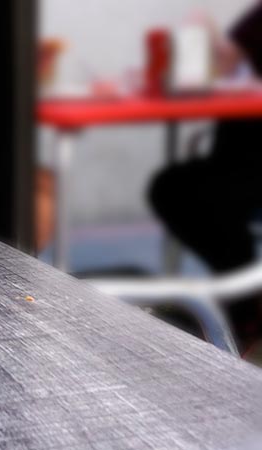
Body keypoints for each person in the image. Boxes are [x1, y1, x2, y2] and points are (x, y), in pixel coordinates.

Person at [148, 2, 262, 353]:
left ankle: (242, 313)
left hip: (251, 166)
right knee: (169, 187)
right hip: (234, 156)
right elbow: (230, 67)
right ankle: (244, 304)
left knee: (211, 200)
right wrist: (212, 44)